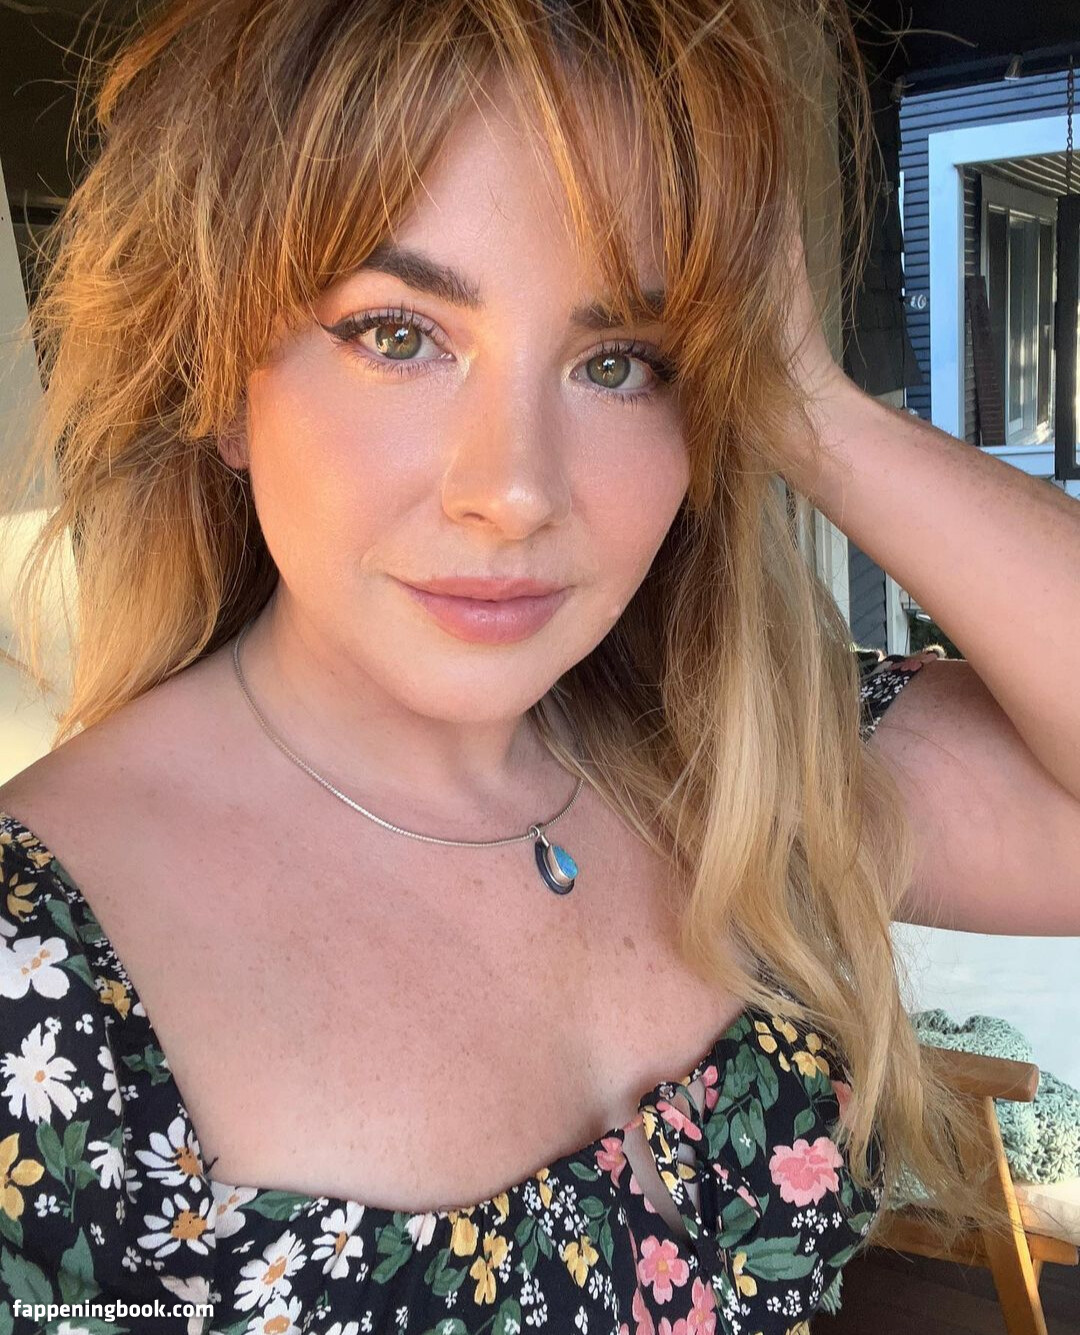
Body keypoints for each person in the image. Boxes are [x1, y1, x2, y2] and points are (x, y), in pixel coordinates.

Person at [1, 1, 1078, 1331]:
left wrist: (814, 411)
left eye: (620, 361)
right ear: (224, 380)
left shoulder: (725, 759)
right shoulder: (36, 981)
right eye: (397, 335)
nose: (513, 492)